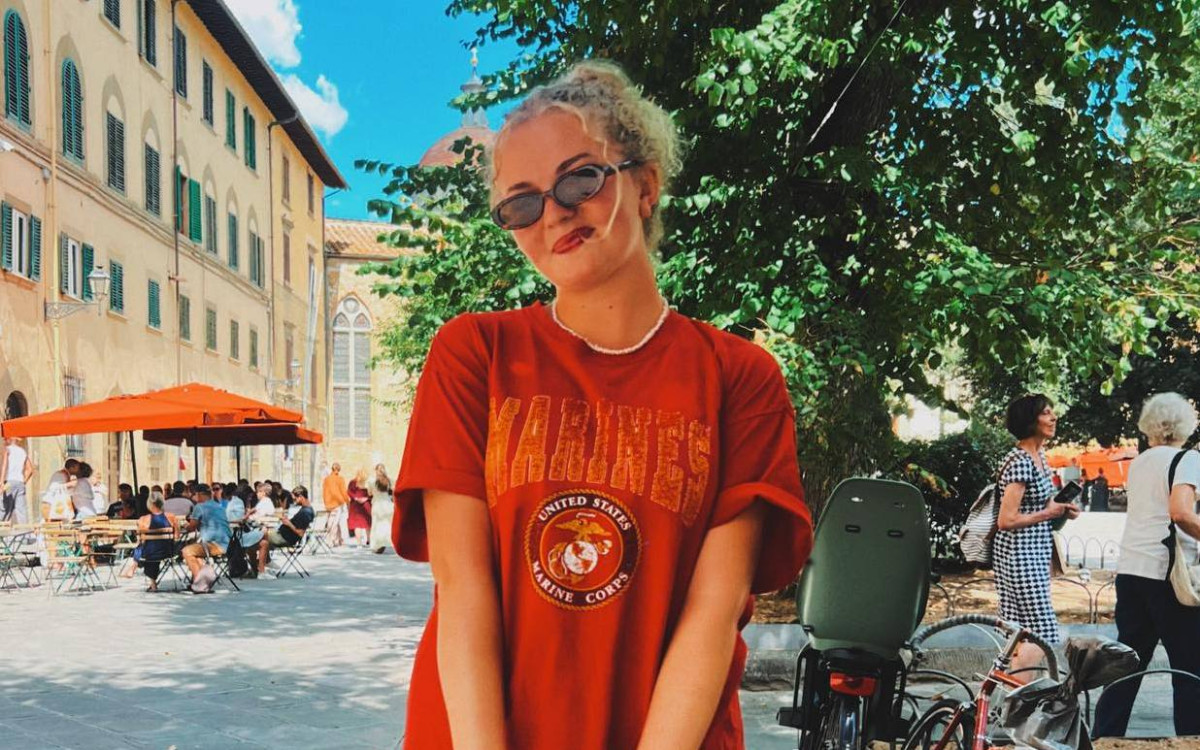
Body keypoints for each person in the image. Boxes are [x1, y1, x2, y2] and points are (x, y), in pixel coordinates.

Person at [391, 60, 813, 750]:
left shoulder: (740, 378)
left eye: (579, 179)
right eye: (521, 204)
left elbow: (712, 614)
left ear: (645, 185)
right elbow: (464, 592)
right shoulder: (474, 354)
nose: (554, 212)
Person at [1093, 393, 1200, 737]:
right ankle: (1191, 739)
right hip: (1167, 575)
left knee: (1127, 663)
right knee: (1189, 668)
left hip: (1131, 570)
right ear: (1185, 424)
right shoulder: (1188, 459)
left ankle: (1105, 736)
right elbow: (1180, 512)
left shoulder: (1139, 462)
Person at [993, 394, 1080, 684]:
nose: (1053, 417)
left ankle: (1011, 698)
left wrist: (1062, 510)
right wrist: (1048, 513)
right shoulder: (1019, 461)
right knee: (1042, 632)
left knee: (1022, 633)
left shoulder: (1040, 458)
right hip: (1019, 556)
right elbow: (1006, 520)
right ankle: (1018, 697)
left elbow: (1040, 507)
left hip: (1035, 554)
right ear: (1030, 421)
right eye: (1045, 413)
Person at [180, 485, 230, 591]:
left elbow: (192, 527)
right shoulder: (219, 506)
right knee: (196, 554)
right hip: (227, 543)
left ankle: (200, 583)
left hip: (214, 544)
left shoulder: (199, 507)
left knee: (186, 551)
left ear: (199, 495)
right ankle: (201, 581)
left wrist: (185, 527)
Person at [256, 485, 314, 574]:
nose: (294, 501)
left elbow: (300, 533)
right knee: (259, 534)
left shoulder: (306, 513)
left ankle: (262, 566)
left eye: (295, 499)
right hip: (282, 534)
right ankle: (264, 563)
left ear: (301, 497)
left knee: (259, 536)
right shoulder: (305, 509)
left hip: (286, 538)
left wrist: (288, 523)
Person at [135, 496, 178, 592]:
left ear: (149, 504)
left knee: (147, 549)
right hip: (168, 552)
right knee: (157, 547)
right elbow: (177, 536)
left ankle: (153, 583)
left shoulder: (143, 519)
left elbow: (140, 539)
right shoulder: (171, 517)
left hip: (149, 553)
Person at [1, 436, 34, 523]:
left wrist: (1, 482)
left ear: (9, 439)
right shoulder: (23, 451)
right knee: (21, 511)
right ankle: (25, 530)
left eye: (5, 439)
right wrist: (23, 481)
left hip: (9, 482)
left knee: (4, 509)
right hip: (20, 483)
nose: (4, 441)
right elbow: (30, 469)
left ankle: (2, 528)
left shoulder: (7, 449)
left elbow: (4, 465)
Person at [321, 463, 350, 547]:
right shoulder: (340, 479)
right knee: (335, 522)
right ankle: (332, 540)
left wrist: (325, 502)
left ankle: (338, 539)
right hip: (338, 503)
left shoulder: (326, 479)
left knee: (332, 521)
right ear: (339, 470)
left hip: (328, 503)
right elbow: (343, 492)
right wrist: (347, 501)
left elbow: (324, 491)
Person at [369, 464, 394, 554]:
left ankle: (377, 545)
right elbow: (393, 491)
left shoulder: (371, 481)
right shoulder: (389, 480)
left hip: (377, 504)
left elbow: (370, 493)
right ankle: (386, 541)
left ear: (376, 471)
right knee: (387, 525)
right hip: (388, 504)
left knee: (376, 525)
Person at [347, 468, 372, 546]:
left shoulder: (353, 482)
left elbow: (349, 492)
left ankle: (359, 543)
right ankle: (369, 541)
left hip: (355, 505)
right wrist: (367, 498)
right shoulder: (368, 482)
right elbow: (372, 493)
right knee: (367, 524)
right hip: (366, 504)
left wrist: (356, 498)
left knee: (357, 525)